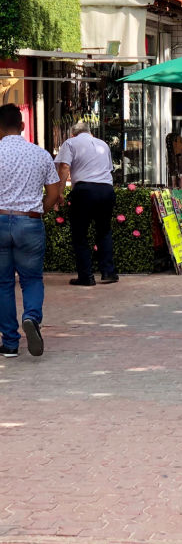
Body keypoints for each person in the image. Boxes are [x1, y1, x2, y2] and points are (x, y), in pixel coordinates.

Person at [0, 104, 60, 358]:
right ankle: (32, 318)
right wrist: (39, 212)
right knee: (32, 279)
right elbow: (55, 192)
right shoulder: (40, 154)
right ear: (22, 125)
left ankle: (10, 343)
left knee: (2, 284)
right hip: (30, 221)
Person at [54, 121, 117, 286]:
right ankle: (109, 272)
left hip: (84, 190)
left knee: (80, 234)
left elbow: (64, 167)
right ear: (90, 133)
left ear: (73, 134)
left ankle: (86, 276)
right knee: (104, 230)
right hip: (106, 189)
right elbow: (108, 168)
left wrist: (59, 192)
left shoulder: (70, 143)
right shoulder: (103, 144)